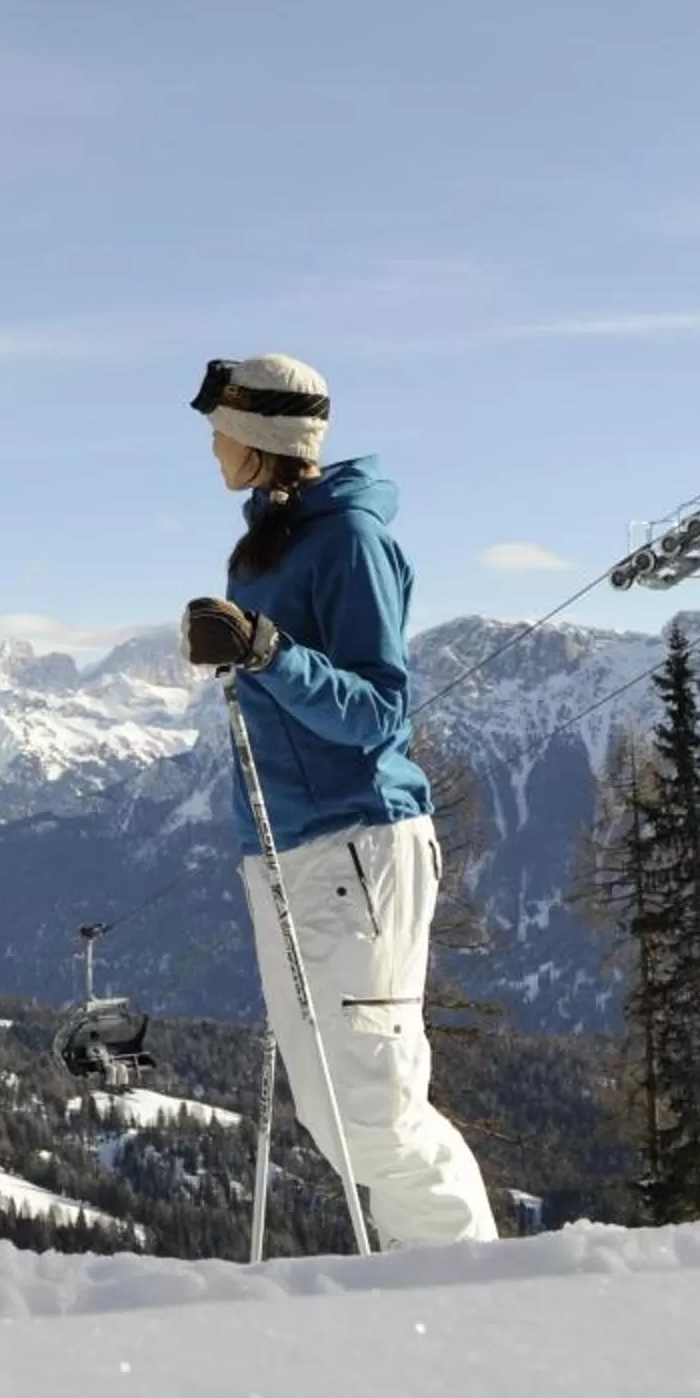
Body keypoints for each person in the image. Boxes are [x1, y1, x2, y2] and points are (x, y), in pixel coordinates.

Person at [182, 353, 497, 1247]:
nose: (211, 447)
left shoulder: (351, 539)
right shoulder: (272, 544)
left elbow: (379, 711)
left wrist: (268, 650)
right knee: (336, 1110)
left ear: (264, 440)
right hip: (290, 850)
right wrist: (243, 650)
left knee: (374, 1108)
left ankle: (473, 1288)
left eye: (222, 430)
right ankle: (424, 1278)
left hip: (356, 844)